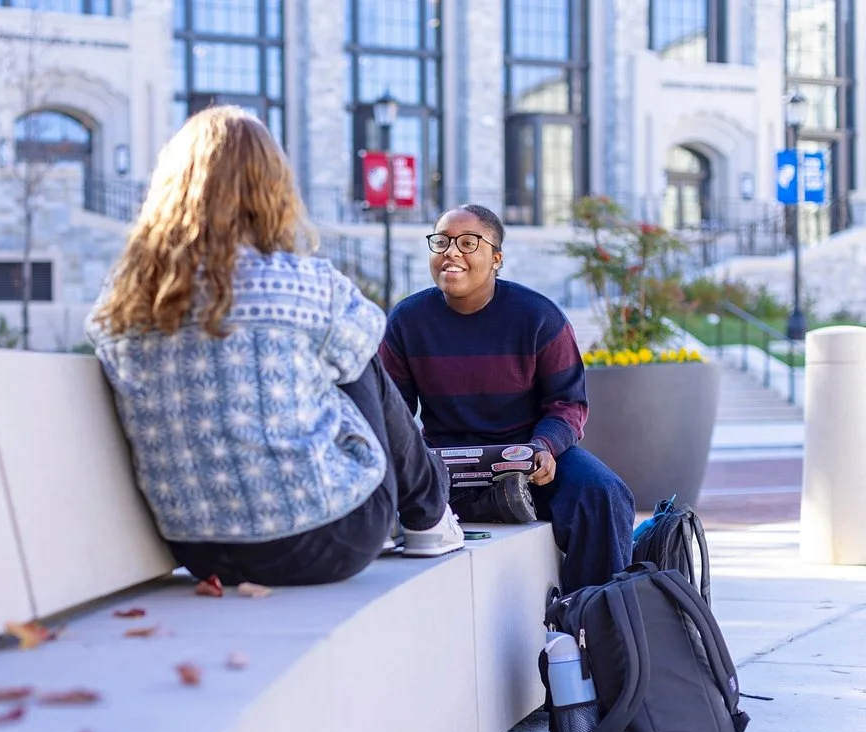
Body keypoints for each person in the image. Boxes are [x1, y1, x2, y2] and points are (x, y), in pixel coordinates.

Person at [85, 106, 464, 587]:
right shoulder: (307, 285)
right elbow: (367, 358)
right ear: (273, 189)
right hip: (331, 538)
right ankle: (430, 515)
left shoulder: (125, 297)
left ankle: (426, 508)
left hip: (197, 548)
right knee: (358, 352)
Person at [379, 203, 633, 594]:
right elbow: (391, 410)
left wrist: (544, 447)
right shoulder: (407, 321)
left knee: (602, 492)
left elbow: (568, 403)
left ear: (496, 258)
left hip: (530, 457)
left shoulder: (538, 317)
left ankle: (592, 620)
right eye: (441, 242)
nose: (451, 252)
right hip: (445, 462)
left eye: (468, 243)